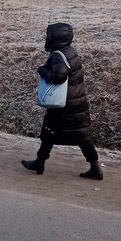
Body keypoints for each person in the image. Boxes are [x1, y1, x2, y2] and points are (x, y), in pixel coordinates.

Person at [21, 23, 103, 180]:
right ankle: (95, 167)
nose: (46, 38)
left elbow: (59, 76)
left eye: (49, 35)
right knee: (82, 136)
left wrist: (42, 70)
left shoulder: (58, 55)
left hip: (63, 105)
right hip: (76, 102)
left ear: (55, 37)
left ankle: (40, 162)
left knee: (48, 132)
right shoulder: (70, 51)